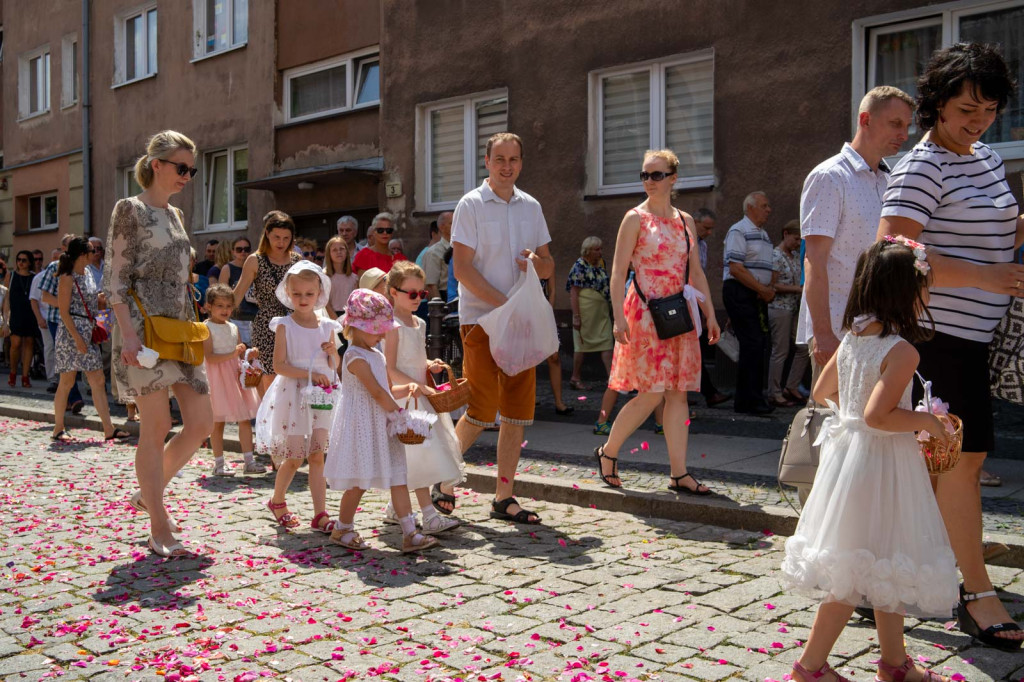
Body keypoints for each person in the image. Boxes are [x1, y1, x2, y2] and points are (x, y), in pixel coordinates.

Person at [878, 43, 1024, 651]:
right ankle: (975, 592)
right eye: (967, 109)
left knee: (938, 468)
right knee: (961, 465)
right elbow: (894, 251)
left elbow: (994, 225)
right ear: (936, 104)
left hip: (974, 338)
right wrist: (986, 276)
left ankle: (882, 577)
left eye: (990, 110)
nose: (979, 121)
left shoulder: (984, 157)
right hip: (934, 337)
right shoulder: (923, 166)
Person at [782, 238, 958, 682]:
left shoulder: (854, 338)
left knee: (883, 562)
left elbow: (822, 390)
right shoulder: (901, 351)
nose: (926, 296)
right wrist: (928, 421)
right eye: (923, 288)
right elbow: (880, 416)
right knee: (853, 569)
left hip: (853, 459)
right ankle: (809, 668)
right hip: (882, 465)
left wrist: (854, 420)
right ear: (905, 292)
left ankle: (895, 664)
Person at [107, 130, 212, 558]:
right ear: (157, 165)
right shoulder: (129, 209)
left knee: (201, 423)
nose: (187, 175)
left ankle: (148, 494)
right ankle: (159, 526)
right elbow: (116, 278)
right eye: (181, 167)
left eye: (192, 170)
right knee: (156, 426)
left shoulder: (177, 214)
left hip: (180, 327)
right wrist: (128, 336)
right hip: (143, 327)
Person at [594, 149, 720, 495]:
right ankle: (608, 452)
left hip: (678, 315)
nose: (649, 181)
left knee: (678, 395)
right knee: (650, 394)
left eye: (656, 175)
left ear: (673, 179)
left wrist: (710, 313)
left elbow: (695, 272)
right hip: (645, 315)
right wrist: (618, 317)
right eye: (645, 175)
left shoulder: (685, 221)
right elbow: (617, 272)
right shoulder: (634, 218)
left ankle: (679, 473)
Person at [449, 132, 554, 524]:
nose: (507, 166)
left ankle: (504, 497)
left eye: (513, 159)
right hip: (480, 319)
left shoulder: (532, 206)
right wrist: (505, 304)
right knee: (480, 408)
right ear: (487, 162)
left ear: (521, 163)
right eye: (500, 159)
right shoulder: (470, 204)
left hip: (521, 323)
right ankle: (441, 480)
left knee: (515, 412)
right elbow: (462, 269)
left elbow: (548, 265)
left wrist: (537, 264)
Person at [797, 86, 914, 369]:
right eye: (895, 123)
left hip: (883, 330)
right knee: (833, 401)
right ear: (865, 120)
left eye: (907, 126)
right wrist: (822, 333)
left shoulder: (889, 181)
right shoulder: (829, 177)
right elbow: (814, 260)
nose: (904, 134)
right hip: (839, 332)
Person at [324, 288, 440, 553]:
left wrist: (408, 388)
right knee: (359, 481)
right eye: (377, 330)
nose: (382, 335)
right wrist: (399, 415)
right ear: (356, 327)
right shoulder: (354, 356)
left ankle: (410, 533)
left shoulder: (377, 355)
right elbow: (376, 392)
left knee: (399, 477)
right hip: (364, 425)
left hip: (383, 423)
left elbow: (387, 389)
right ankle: (342, 527)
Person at [254, 262, 340, 533]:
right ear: (288, 293)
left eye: (309, 294)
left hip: (321, 397)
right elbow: (279, 365)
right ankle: (277, 501)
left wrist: (332, 353)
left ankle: (320, 514)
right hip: (294, 396)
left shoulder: (327, 326)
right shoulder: (285, 325)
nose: (303, 299)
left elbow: (334, 364)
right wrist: (309, 374)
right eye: (297, 294)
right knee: (294, 457)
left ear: (319, 294)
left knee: (317, 456)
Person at [383, 262, 463, 533]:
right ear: (394, 292)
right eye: (412, 294)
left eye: (422, 294)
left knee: (417, 457)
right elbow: (391, 369)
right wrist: (419, 386)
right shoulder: (392, 326)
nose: (418, 299)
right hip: (405, 399)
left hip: (421, 396)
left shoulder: (420, 323)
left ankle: (395, 509)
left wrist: (430, 364)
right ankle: (429, 516)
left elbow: (415, 358)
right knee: (418, 456)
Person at [50, 237, 130, 442]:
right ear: (82, 254)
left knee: (98, 380)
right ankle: (58, 428)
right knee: (67, 382)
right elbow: (64, 312)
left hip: (88, 330)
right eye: (92, 250)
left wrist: (101, 302)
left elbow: (92, 301)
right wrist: (77, 338)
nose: (95, 253)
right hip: (71, 334)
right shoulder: (67, 277)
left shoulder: (88, 275)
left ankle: (109, 429)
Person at [232, 211, 301, 395]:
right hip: (266, 325)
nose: (281, 242)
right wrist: (219, 320)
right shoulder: (255, 260)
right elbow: (238, 294)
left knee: (294, 377)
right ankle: (268, 414)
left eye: (286, 238)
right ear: (267, 234)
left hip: (293, 323)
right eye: (277, 237)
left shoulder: (297, 260)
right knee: (270, 380)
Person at [723, 192, 775, 415]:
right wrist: (762, 289)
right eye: (764, 205)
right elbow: (735, 268)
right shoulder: (739, 230)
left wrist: (764, 289)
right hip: (742, 290)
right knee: (752, 344)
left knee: (756, 344)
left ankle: (750, 398)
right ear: (750, 208)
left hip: (753, 293)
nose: (768, 209)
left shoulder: (763, 234)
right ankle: (749, 401)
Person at [203, 284, 263, 477]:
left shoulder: (233, 327)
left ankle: (249, 461)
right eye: (220, 306)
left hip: (235, 377)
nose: (225, 310)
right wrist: (233, 354)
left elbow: (239, 355)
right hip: (217, 379)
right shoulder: (205, 328)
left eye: (229, 306)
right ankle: (219, 463)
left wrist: (248, 354)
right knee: (218, 421)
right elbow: (210, 357)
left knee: (244, 418)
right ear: (209, 306)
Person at [767, 221, 810, 407]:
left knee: (803, 347)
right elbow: (772, 285)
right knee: (780, 350)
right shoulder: (775, 255)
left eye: (800, 240)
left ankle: (791, 386)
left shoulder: (794, 256)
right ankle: (774, 392)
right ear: (785, 234)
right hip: (780, 307)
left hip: (794, 307)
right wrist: (798, 289)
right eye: (796, 239)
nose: (798, 243)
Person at [692, 209, 731, 407]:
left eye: (711, 229)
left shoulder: (703, 245)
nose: (709, 232)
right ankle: (708, 393)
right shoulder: (684, 241)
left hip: (694, 301)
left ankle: (706, 393)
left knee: (695, 348)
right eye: (706, 228)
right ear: (694, 222)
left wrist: (706, 311)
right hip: (683, 301)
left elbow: (701, 276)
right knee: (693, 349)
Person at [566, 236, 613, 390]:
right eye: (596, 249)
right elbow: (574, 293)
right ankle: (575, 378)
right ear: (588, 251)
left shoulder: (601, 263)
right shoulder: (579, 266)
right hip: (586, 314)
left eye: (601, 249)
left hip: (601, 314)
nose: (600, 252)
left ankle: (612, 380)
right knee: (581, 346)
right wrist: (576, 317)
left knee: (607, 343)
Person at [2, 250, 37, 387]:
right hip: (15, 314)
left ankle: (25, 376)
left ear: (29, 262)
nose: (20, 263)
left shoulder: (34, 277)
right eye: (18, 260)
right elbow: (6, 299)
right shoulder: (11, 276)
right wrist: (6, 320)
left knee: (29, 343)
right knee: (15, 344)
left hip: (30, 314)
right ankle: (13, 372)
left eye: (24, 260)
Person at [542, 273, 573, 416]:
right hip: (523, 311)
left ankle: (559, 402)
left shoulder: (546, 262)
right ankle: (526, 400)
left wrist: (548, 312)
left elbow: (552, 290)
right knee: (525, 361)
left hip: (543, 311)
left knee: (554, 357)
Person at [30, 250, 61, 389]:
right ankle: (52, 378)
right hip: (46, 318)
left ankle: (63, 377)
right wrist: (39, 318)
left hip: (62, 318)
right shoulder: (40, 277)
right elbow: (34, 300)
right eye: (55, 258)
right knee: (50, 348)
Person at [218, 237, 257, 344]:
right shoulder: (227, 269)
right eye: (239, 249)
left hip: (255, 317)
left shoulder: (256, 267)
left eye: (246, 249)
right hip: (236, 319)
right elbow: (221, 295)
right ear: (233, 252)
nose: (243, 252)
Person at [324, 237, 359, 319]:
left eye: (342, 249)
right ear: (329, 254)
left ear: (346, 252)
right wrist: (335, 319)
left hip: (349, 317)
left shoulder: (354, 278)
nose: (339, 252)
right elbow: (325, 301)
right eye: (334, 250)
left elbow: (355, 302)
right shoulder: (324, 276)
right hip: (330, 316)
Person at [423, 211, 453, 301]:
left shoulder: (462, 248)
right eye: (452, 223)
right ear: (442, 227)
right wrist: (440, 307)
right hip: (445, 298)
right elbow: (431, 286)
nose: (457, 225)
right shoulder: (434, 252)